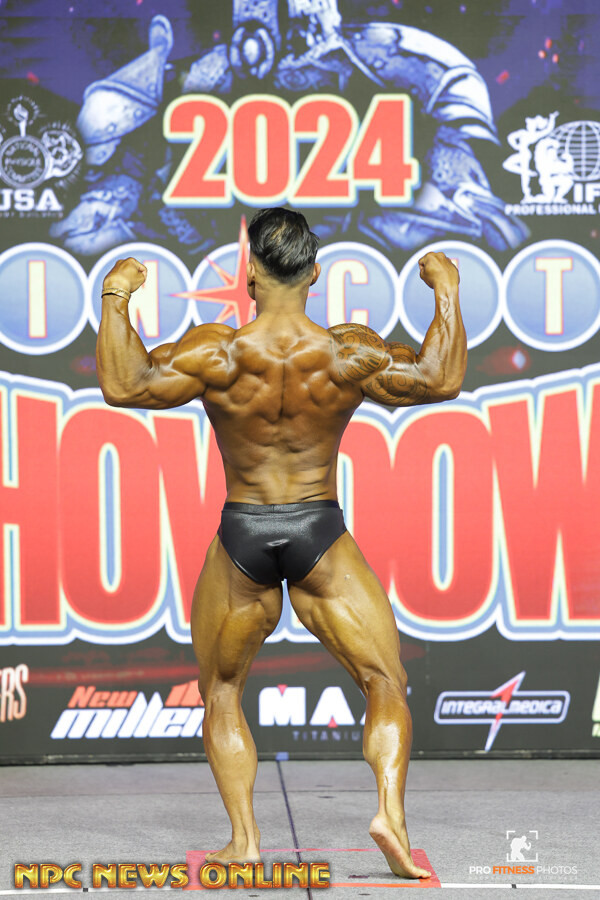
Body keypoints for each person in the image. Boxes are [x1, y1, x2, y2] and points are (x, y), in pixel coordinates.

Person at [96, 207, 467, 880]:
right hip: (317, 529)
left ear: (250, 275)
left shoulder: (219, 353)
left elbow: (125, 384)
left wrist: (116, 295)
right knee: (385, 680)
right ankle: (390, 813)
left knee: (222, 689)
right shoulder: (346, 353)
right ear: (314, 274)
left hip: (244, 530)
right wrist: (446, 288)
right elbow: (439, 377)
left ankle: (244, 840)